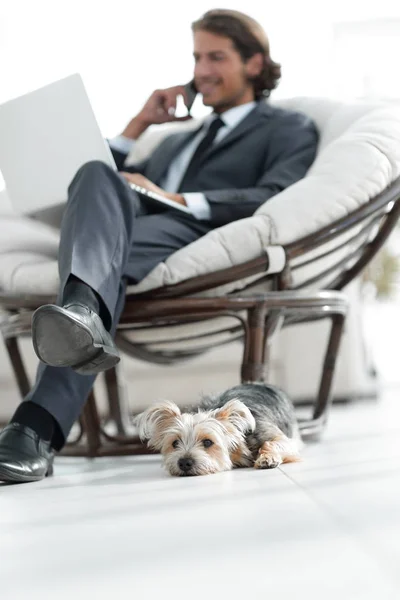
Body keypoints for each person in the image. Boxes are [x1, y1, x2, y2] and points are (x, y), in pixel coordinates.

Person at [0, 9, 318, 483]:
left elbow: (275, 193)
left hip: (183, 230)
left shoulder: (287, 127)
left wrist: (174, 198)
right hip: (119, 228)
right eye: (196, 57)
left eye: (216, 57)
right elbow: (103, 181)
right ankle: (82, 314)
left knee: (100, 254)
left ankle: (36, 423)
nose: (201, 71)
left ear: (254, 64)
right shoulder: (172, 141)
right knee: (94, 171)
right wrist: (137, 125)